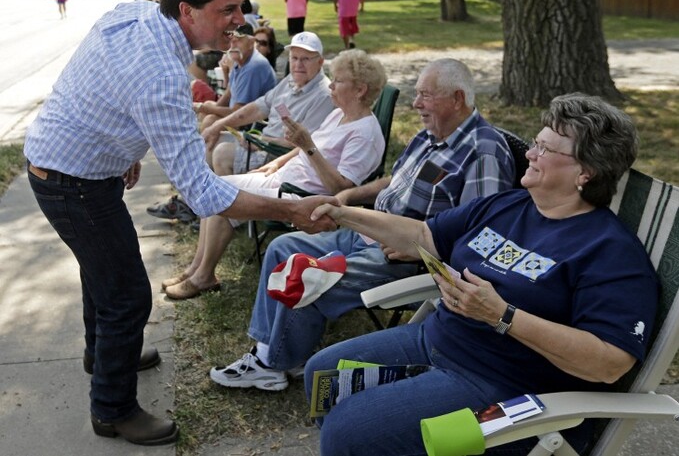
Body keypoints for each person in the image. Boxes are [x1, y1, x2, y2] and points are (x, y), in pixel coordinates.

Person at [23, 0, 336, 447]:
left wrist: (123, 149)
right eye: (227, 10)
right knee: (127, 297)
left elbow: (99, 83)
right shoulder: (163, 76)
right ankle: (112, 408)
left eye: (241, 6)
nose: (240, 21)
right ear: (186, 10)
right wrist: (290, 210)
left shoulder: (135, 15)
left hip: (73, 166)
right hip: (70, 181)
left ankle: (103, 355)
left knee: (100, 271)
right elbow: (204, 193)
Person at [303, 93, 659, 456]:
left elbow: (610, 363)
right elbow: (424, 236)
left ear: (586, 172)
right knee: (323, 376)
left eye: (546, 149)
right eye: (536, 143)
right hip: (437, 340)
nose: (531, 154)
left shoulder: (610, 253)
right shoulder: (510, 204)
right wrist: (342, 212)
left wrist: (503, 316)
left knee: (349, 432)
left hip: (508, 388)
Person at [209, 58, 516, 391]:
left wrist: (418, 251)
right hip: (369, 230)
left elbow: (483, 236)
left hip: (405, 259)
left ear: (457, 99)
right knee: (283, 246)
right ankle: (274, 354)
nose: (415, 104)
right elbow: (394, 180)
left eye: (425, 96)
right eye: (416, 95)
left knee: (308, 273)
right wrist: (351, 195)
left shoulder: (483, 151)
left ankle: (272, 362)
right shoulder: (433, 134)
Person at [164, 49, 388, 300]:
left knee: (224, 199)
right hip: (281, 179)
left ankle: (203, 277)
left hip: (303, 197)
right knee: (215, 186)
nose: (331, 85)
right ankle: (195, 269)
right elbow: (306, 149)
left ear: (360, 90)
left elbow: (340, 190)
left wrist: (307, 146)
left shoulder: (365, 134)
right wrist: (278, 162)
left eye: (338, 80)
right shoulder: (339, 114)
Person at [204, 31, 335, 177]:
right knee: (209, 140)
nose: (298, 65)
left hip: (279, 157)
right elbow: (257, 108)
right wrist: (218, 125)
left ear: (320, 62)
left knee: (222, 153)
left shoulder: (324, 96)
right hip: (261, 143)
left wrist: (262, 141)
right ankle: (203, 195)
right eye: (294, 58)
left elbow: (307, 145)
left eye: (305, 59)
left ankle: (230, 198)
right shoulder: (291, 80)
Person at [194, 23, 277, 133]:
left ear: (251, 43)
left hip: (254, 125)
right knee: (208, 106)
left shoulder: (254, 66)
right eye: (230, 40)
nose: (232, 44)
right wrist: (206, 108)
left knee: (210, 119)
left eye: (238, 40)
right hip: (241, 117)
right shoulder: (240, 60)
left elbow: (238, 113)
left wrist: (201, 107)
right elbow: (229, 94)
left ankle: (203, 148)